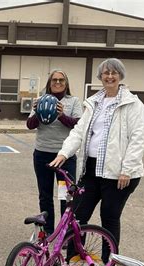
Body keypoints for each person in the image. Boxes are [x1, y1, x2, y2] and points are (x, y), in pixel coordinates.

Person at [50, 58, 144, 266]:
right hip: (92, 170)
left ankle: (110, 265)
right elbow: (78, 131)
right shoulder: (94, 102)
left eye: (114, 73)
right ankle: (73, 262)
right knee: (78, 216)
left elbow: (137, 139)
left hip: (118, 173)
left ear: (120, 76)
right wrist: (64, 153)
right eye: (105, 73)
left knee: (109, 217)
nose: (109, 76)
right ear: (100, 77)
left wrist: (127, 169)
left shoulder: (133, 104)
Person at [27, 70, 82, 234]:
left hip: (64, 157)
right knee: (45, 195)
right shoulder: (41, 100)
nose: (58, 83)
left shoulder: (73, 101)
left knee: (66, 196)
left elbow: (78, 125)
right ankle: (48, 230)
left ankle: (64, 232)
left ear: (66, 83)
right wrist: (38, 112)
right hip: (42, 154)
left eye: (61, 80)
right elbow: (30, 125)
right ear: (49, 83)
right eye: (54, 80)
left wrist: (61, 115)